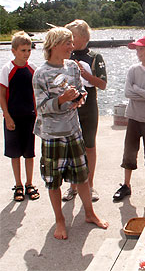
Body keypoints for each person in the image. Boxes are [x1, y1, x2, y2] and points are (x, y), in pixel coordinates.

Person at [32, 27, 108, 239]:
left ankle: (90, 214)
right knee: (53, 181)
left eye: (72, 43)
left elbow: (80, 91)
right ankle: (60, 220)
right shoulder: (41, 73)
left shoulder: (73, 68)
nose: (72, 47)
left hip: (74, 131)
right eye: (68, 43)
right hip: (52, 135)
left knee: (82, 176)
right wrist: (63, 99)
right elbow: (42, 107)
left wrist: (80, 98)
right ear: (55, 44)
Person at [113, 36, 145, 202]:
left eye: (141, 49)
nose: (138, 52)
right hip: (133, 117)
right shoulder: (133, 70)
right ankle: (126, 185)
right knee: (129, 152)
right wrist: (144, 92)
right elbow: (128, 92)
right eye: (137, 49)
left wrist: (137, 89)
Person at [62, 19, 107, 202]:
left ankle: (90, 185)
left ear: (83, 37)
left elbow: (103, 84)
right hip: (69, 105)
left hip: (88, 106)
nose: (70, 41)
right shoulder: (65, 54)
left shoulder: (95, 57)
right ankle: (72, 187)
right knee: (71, 147)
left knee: (89, 145)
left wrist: (85, 74)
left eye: (72, 37)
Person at [0, 31, 40, 202]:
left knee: (29, 153)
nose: (26, 54)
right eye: (23, 50)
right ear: (14, 51)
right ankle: (18, 185)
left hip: (30, 117)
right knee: (15, 154)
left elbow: (38, 95)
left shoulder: (33, 70)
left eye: (29, 50)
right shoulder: (7, 69)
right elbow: (1, 95)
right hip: (13, 117)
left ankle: (29, 183)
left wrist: (39, 116)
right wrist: (7, 116)